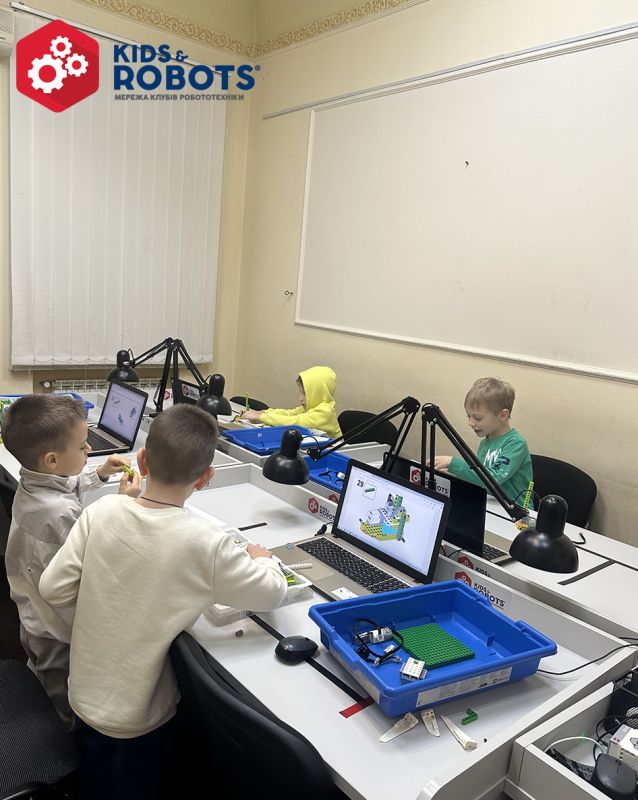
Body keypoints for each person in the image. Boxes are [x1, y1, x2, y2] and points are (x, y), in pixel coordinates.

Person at [39, 404, 287, 800]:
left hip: (84, 695)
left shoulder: (101, 510)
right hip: (140, 715)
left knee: (95, 776)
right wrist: (264, 559)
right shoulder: (207, 543)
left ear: (141, 460)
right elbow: (272, 592)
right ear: (206, 478)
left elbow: (53, 590)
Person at [1, 394, 136, 724]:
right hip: (55, 629)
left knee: (40, 667)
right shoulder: (58, 514)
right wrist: (123, 506)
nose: (89, 449)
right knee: (60, 696)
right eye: (82, 446)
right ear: (51, 459)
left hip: (31, 608)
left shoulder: (34, 481)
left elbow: (66, 484)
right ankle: (61, 740)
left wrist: (99, 473)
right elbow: (99, 556)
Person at [434, 377, 533, 504]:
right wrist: (458, 475)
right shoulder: (485, 442)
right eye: (468, 416)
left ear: (503, 415)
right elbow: (480, 479)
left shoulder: (516, 444)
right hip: (490, 504)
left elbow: (493, 478)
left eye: (477, 418)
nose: (470, 423)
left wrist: (454, 464)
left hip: (516, 509)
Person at [242, 365, 342, 438]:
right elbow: (288, 414)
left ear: (319, 393)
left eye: (305, 394)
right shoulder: (310, 408)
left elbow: (294, 422)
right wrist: (263, 412)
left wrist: (260, 417)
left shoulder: (325, 412)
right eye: (300, 393)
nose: (300, 398)